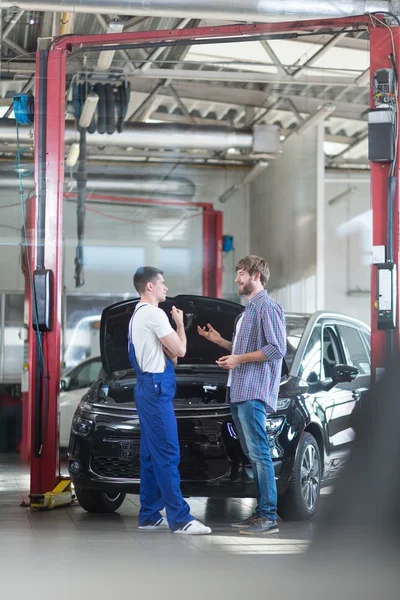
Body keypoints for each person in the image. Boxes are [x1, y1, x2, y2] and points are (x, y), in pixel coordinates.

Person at [198, 255, 286, 535]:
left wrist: (238, 360)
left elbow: (276, 349)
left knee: (260, 454)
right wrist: (220, 342)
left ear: (256, 276)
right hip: (239, 390)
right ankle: (260, 513)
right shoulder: (246, 312)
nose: (236, 279)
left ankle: (268, 516)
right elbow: (242, 350)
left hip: (254, 391)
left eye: (241, 273)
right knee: (252, 453)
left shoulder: (268, 308)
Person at [128, 266, 211, 535]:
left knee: (152, 455)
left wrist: (173, 335)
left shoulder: (137, 315)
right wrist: (179, 324)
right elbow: (181, 350)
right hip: (155, 388)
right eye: (162, 283)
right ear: (149, 287)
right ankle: (180, 519)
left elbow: (172, 357)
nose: (166, 287)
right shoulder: (154, 314)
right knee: (167, 452)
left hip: (147, 386)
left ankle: (149, 515)